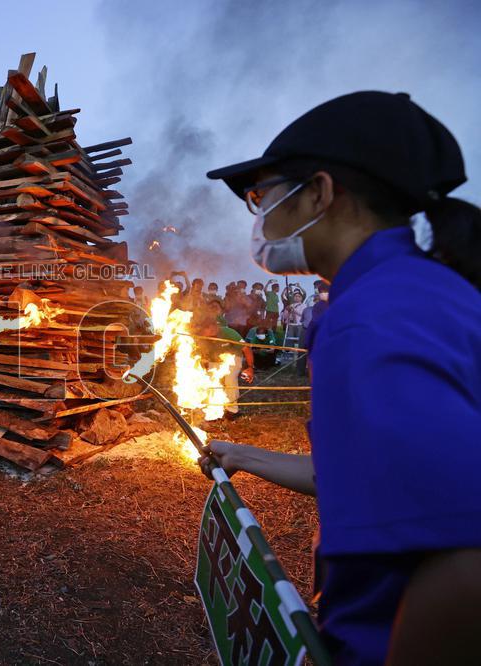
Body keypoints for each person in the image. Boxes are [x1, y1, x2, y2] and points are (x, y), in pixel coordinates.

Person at [203, 91, 481, 664]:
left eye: (260, 196)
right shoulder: (417, 291)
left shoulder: (373, 318)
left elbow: (466, 563)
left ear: (322, 194)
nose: (256, 218)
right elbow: (383, 476)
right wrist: (243, 456)